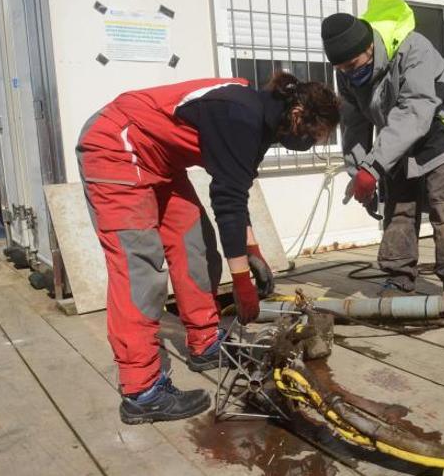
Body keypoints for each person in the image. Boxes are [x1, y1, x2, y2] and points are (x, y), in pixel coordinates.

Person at [77, 73, 339, 424]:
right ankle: (141, 390)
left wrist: (253, 250)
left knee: (195, 244)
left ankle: (204, 341)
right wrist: (241, 281)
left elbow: (237, 190)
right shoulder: (240, 114)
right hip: (116, 145)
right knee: (139, 269)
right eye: (313, 135)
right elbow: (226, 200)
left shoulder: (263, 122)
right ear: (297, 115)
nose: (310, 143)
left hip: (161, 161)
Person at [321, 0, 444, 314]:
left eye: (354, 65)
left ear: (369, 47)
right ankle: (398, 277)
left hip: (437, 130)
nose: (350, 75)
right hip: (395, 136)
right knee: (399, 208)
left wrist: (374, 165)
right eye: (342, 69)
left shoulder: (413, 48)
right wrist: (358, 174)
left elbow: (415, 111)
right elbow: (354, 127)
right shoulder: (347, 74)